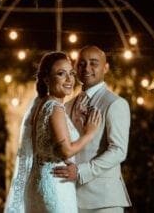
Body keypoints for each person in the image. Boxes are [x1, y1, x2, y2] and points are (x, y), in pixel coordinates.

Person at [4, 51, 102, 213]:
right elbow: (66, 151)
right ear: (46, 79)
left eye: (71, 73)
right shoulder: (55, 108)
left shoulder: (41, 105)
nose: (69, 79)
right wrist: (89, 133)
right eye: (61, 74)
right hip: (55, 185)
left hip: (39, 181)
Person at [53, 45, 132, 213]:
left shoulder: (115, 104)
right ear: (75, 68)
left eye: (93, 63)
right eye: (81, 64)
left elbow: (119, 150)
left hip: (103, 201)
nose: (86, 68)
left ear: (106, 68)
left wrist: (81, 172)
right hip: (70, 198)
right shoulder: (66, 105)